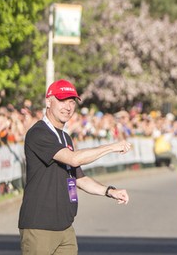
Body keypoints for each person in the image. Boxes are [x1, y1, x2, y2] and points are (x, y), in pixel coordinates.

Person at [18, 79, 133, 255]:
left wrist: (110, 191)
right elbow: (73, 159)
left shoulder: (65, 137)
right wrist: (111, 147)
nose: (68, 106)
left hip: (65, 227)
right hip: (39, 226)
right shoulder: (39, 132)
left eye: (72, 102)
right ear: (49, 101)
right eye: (62, 100)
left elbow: (79, 178)